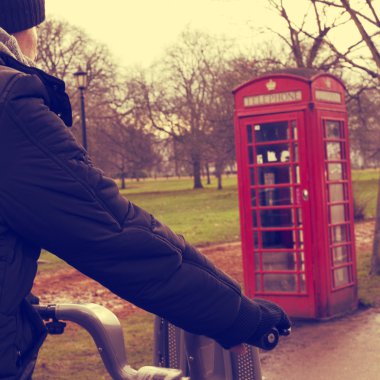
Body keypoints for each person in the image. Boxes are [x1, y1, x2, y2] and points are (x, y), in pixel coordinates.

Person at [0, 0, 291, 378]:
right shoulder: (10, 104)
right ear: (17, 28)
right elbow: (113, 232)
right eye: (35, 26)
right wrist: (238, 315)